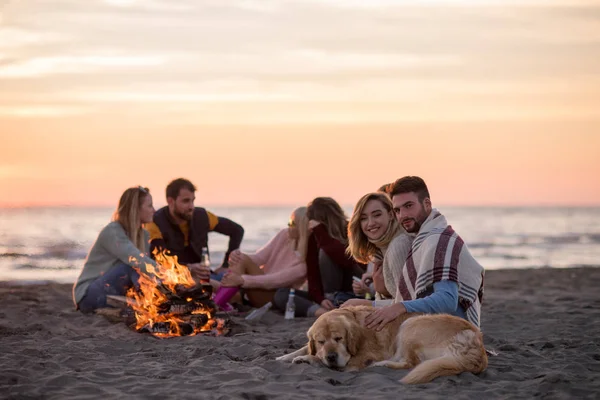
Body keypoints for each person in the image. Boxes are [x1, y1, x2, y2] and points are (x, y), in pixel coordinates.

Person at [351, 176, 485, 331]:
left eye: (409, 206)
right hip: (435, 324)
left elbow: (447, 301)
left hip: (448, 330)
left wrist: (371, 304)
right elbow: (409, 300)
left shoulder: (437, 240)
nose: (403, 215)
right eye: (398, 210)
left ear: (427, 204)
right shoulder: (423, 239)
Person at [273, 197, 366, 317]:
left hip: (353, 289)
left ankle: (332, 302)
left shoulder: (351, 230)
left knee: (325, 253)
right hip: (326, 298)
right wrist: (320, 299)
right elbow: (313, 276)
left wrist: (322, 233)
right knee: (281, 294)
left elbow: (347, 261)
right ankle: (321, 311)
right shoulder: (315, 237)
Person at [73, 186, 157, 313]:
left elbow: (147, 269)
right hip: (88, 295)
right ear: (135, 209)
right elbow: (135, 259)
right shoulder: (113, 232)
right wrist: (168, 275)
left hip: (115, 294)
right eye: (150, 206)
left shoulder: (144, 235)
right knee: (132, 266)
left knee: (143, 274)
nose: (154, 210)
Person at [145, 178, 244, 282]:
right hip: (174, 281)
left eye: (193, 200)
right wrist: (189, 268)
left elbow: (237, 230)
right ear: (170, 201)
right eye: (186, 201)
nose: (191, 206)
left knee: (238, 280)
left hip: (207, 278)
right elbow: (158, 262)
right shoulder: (154, 223)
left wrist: (226, 265)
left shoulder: (202, 216)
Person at [220, 207, 309, 308]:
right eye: (289, 222)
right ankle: (222, 300)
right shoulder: (284, 235)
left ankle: (219, 302)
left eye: (292, 223)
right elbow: (258, 258)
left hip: (273, 297)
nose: (288, 225)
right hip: (255, 286)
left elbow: (273, 281)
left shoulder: (305, 262)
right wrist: (236, 255)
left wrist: (242, 280)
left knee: (237, 267)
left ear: (302, 228)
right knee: (239, 259)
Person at [344, 192, 413, 306]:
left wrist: (370, 303)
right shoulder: (380, 250)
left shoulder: (399, 246)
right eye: (363, 218)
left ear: (391, 214)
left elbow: (410, 304)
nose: (370, 223)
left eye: (377, 215)